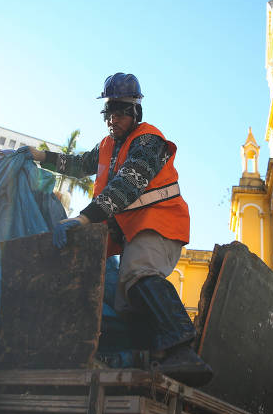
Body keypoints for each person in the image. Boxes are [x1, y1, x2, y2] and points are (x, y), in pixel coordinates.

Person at [21, 72, 213, 386]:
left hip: (160, 223)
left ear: (136, 110)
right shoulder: (108, 147)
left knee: (139, 274)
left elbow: (128, 185)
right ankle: (156, 357)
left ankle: (183, 349)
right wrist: (39, 156)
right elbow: (78, 163)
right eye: (109, 112)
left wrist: (83, 219)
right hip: (134, 232)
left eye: (121, 110)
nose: (114, 118)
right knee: (127, 301)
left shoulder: (150, 141)